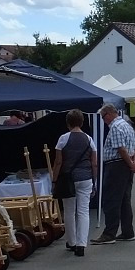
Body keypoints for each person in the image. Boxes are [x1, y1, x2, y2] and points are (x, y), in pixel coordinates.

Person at [91, 103, 135, 245]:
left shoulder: (115, 127)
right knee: (125, 199)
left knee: (111, 199)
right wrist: (134, 164)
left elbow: (121, 149)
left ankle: (109, 233)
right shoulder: (127, 125)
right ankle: (127, 231)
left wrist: (131, 165)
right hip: (126, 164)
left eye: (103, 116)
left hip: (117, 165)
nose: (103, 120)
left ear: (108, 114)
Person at [51, 109, 97, 257]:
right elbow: (94, 163)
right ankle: (81, 244)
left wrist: (54, 180)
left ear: (68, 123)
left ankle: (71, 242)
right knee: (83, 211)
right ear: (82, 122)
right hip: (85, 178)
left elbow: (58, 162)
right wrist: (94, 180)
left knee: (69, 211)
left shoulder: (63, 139)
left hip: (67, 179)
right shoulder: (89, 140)